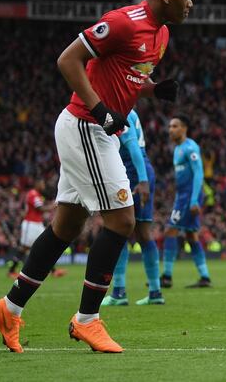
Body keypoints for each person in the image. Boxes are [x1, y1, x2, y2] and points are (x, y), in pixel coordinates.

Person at [0, 0, 192, 353]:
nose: (191, 4)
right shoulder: (123, 23)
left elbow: (124, 77)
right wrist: (100, 111)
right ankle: (87, 320)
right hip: (86, 126)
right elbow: (68, 60)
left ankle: (9, 308)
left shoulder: (161, 34)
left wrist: (152, 91)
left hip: (98, 130)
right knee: (122, 220)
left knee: (65, 227)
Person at [101, 109, 164, 307]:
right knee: (143, 233)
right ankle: (155, 291)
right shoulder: (128, 110)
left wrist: (142, 179)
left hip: (132, 171)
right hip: (138, 169)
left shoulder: (121, 110)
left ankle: (119, 292)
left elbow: (132, 145)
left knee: (120, 230)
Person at [161, 115, 211, 288]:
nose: (170, 130)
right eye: (169, 126)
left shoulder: (190, 148)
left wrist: (194, 200)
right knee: (191, 235)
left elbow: (199, 174)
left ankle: (166, 276)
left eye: (174, 126)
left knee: (170, 231)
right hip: (183, 195)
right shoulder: (177, 149)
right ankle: (205, 277)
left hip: (190, 196)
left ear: (184, 128)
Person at [7, 179, 66, 279]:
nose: (43, 185)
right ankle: (11, 271)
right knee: (24, 247)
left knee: (46, 246)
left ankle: (53, 271)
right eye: (42, 183)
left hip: (37, 224)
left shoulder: (37, 194)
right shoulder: (33, 193)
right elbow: (40, 208)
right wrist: (54, 206)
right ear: (37, 183)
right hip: (31, 224)